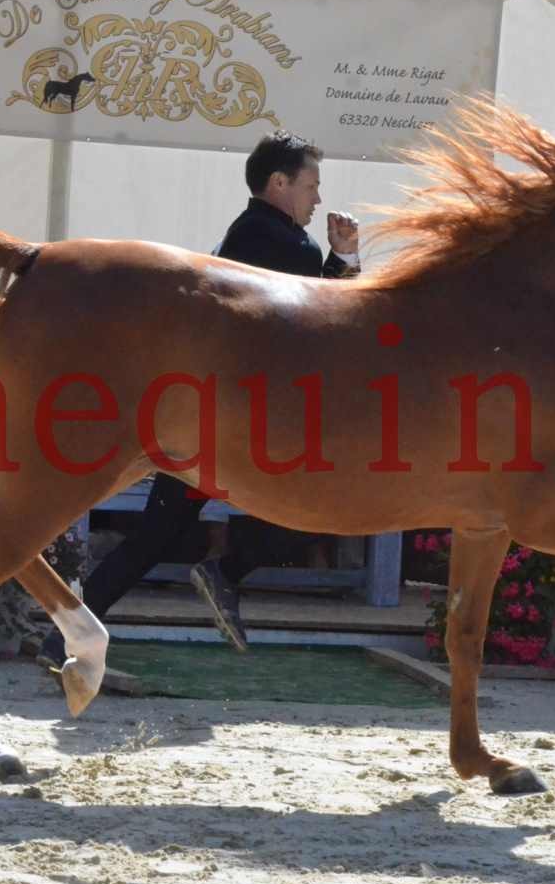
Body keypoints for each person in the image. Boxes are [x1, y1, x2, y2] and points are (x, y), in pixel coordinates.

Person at [39, 130, 359, 667]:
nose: (317, 199)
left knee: (156, 536)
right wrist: (345, 258)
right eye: (311, 185)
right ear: (279, 183)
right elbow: (330, 324)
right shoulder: (284, 242)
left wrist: (338, 259)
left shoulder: (252, 233)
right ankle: (223, 573)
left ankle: (63, 634)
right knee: (332, 501)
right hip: (241, 425)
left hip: (206, 418)